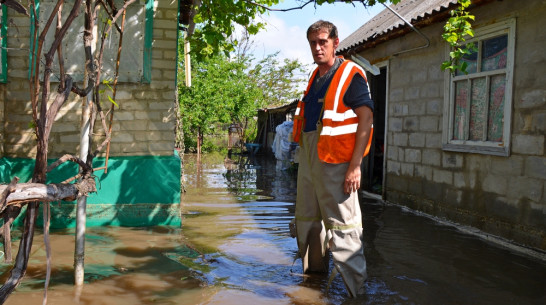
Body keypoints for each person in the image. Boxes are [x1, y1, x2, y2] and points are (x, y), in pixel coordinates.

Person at [291, 20, 374, 298]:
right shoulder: (314, 78)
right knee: (308, 219)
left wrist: (355, 165)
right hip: (310, 159)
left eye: (323, 41)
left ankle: (357, 294)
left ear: (335, 43)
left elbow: (366, 118)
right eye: (313, 43)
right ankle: (312, 283)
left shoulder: (350, 73)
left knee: (344, 228)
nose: (317, 47)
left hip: (337, 163)